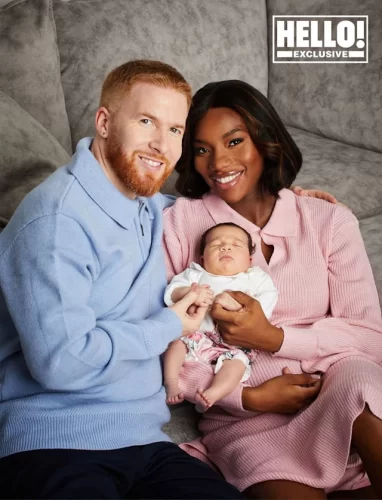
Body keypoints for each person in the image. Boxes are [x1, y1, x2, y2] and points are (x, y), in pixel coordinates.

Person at [0, 60, 244, 499]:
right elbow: (62, 363)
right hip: (54, 439)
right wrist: (169, 326)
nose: (160, 144)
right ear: (105, 122)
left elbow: (205, 209)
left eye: (174, 130)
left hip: (144, 441)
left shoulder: (144, 204)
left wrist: (291, 199)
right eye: (146, 121)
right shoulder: (56, 223)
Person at [163, 80, 382, 499]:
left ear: (265, 138)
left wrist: (275, 338)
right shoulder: (179, 224)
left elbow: (370, 340)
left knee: (362, 384)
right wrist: (249, 398)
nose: (219, 162)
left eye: (234, 141)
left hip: (337, 391)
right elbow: (169, 338)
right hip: (248, 424)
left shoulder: (327, 220)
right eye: (203, 148)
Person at [163, 222, 278, 411]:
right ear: (202, 258)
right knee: (175, 344)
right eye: (216, 245)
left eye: (236, 244)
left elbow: (265, 306)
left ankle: (213, 393)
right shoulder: (196, 275)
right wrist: (190, 293)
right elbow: (171, 292)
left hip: (235, 344)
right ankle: (171, 382)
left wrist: (239, 306)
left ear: (250, 260)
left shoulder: (257, 278)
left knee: (237, 365)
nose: (226, 247)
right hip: (197, 334)